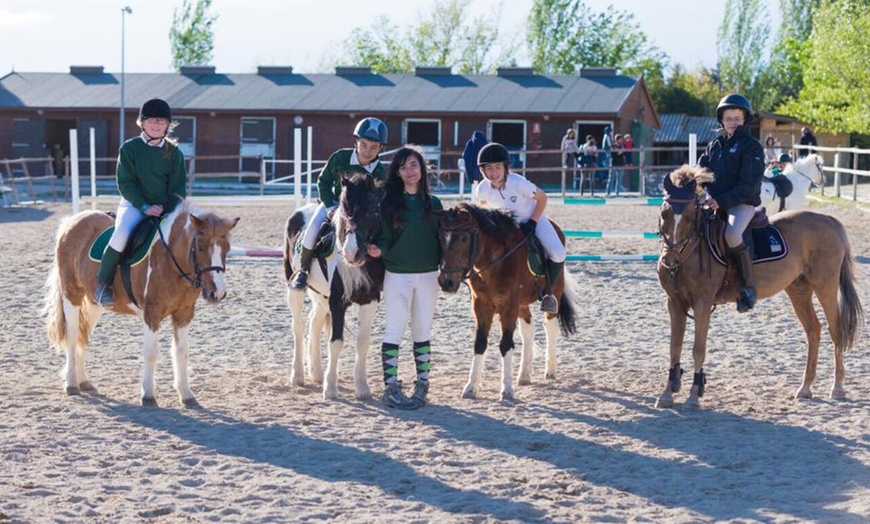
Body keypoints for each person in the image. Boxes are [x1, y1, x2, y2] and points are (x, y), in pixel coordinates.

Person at [366, 146, 443, 410]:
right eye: (403, 167)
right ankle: (391, 386)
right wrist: (378, 250)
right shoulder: (389, 204)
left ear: (422, 168)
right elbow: (385, 238)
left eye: (413, 165)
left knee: (422, 330)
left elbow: (443, 240)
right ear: (397, 173)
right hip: (398, 274)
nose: (409, 171)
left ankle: (423, 382)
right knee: (394, 329)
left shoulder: (434, 204)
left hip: (429, 275)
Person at [94, 98, 187, 307]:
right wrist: (145, 207)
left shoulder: (174, 153)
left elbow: (178, 189)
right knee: (121, 235)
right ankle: (103, 284)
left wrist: (167, 210)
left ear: (167, 125)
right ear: (142, 123)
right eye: (152, 120)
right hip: (134, 204)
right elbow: (125, 183)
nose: (156, 125)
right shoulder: (129, 148)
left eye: (161, 121)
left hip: (165, 208)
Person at [288, 117, 388, 290]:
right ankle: (303, 271)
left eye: (374, 147)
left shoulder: (380, 171)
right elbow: (323, 182)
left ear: (380, 148)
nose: (367, 151)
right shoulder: (340, 157)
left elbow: (378, 198)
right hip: (333, 204)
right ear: (356, 142)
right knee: (312, 229)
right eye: (364, 144)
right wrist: (330, 207)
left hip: (360, 213)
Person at [474, 142, 566, 313]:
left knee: (558, 253)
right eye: (489, 168)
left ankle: (548, 293)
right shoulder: (482, 189)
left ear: (505, 167)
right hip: (505, 227)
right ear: (483, 170)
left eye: (498, 167)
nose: (493, 172)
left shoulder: (517, 183)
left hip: (531, 218)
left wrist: (533, 222)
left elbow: (542, 198)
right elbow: (484, 207)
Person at [698, 93, 765, 313]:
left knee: (732, 234)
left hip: (741, 203)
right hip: (713, 203)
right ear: (722, 120)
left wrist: (721, 200)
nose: (733, 122)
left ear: (745, 120)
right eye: (728, 118)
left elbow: (748, 185)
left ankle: (748, 287)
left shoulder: (752, 146)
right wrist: (698, 190)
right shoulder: (714, 145)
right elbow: (701, 172)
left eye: (737, 118)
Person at [462, 131, 488, 198]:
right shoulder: (485, 143)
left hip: (473, 170)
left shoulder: (470, 143)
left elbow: (465, 156)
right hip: (483, 170)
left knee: (474, 187)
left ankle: (474, 199)